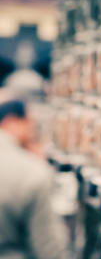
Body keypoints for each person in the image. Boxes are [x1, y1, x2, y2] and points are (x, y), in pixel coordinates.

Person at [0, 97, 68, 259]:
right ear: (12, 121)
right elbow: (48, 248)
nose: (33, 132)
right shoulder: (32, 171)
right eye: (30, 124)